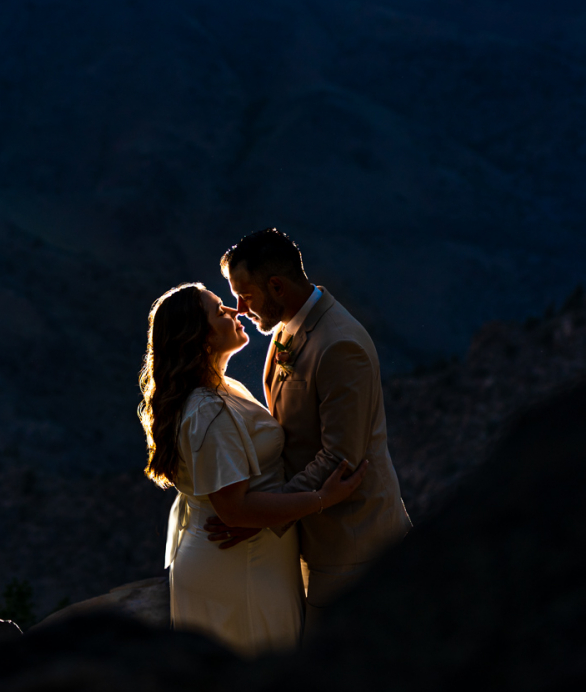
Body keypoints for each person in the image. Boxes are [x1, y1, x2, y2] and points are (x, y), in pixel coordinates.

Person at [139, 282, 368, 655]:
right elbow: (234, 510)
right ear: (201, 338)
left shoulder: (224, 389)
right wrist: (322, 498)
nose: (233, 310)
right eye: (219, 311)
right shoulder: (208, 409)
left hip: (246, 557)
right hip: (238, 566)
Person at [205, 228, 411, 631]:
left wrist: (261, 515)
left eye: (244, 296)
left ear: (277, 286)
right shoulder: (286, 327)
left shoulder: (339, 345)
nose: (239, 309)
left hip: (354, 545)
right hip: (316, 535)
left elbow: (341, 460)